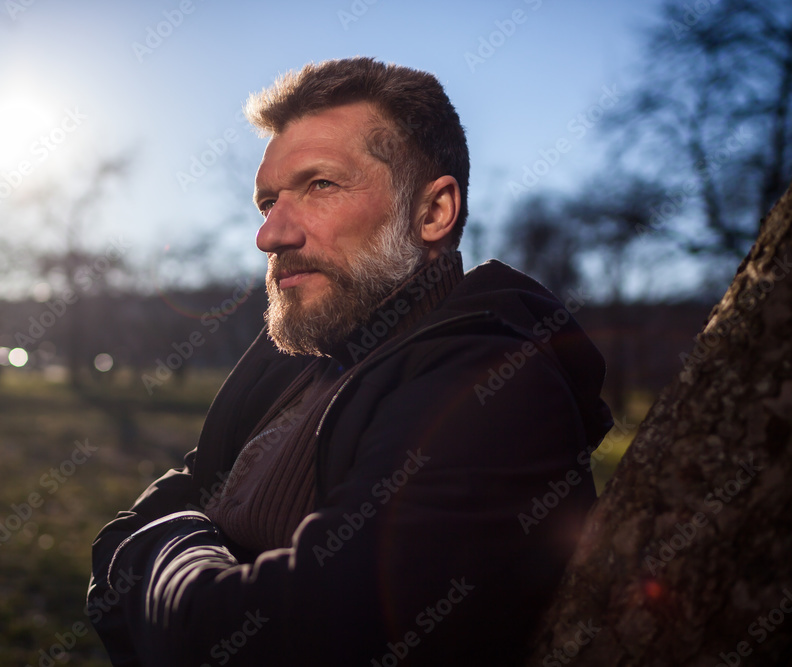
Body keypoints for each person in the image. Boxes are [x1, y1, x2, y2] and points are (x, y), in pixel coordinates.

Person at [87, 57, 612, 666]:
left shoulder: (496, 385)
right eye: (266, 203)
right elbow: (115, 565)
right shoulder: (296, 356)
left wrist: (167, 553)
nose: (271, 235)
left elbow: (307, 635)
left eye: (320, 186)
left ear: (433, 212)